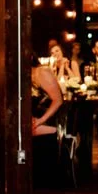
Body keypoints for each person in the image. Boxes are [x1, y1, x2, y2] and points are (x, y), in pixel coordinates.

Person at [31, 53, 64, 186]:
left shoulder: (41, 72)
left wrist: (41, 120)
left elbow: (58, 100)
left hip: (47, 117)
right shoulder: (18, 74)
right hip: (29, 118)